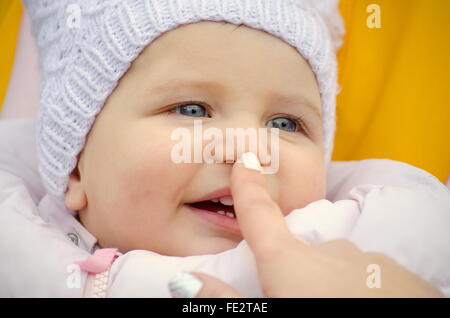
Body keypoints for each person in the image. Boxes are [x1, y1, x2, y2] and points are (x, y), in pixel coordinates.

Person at [0, 0, 448, 297]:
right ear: (76, 168)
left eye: (284, 123)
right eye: (192, 110)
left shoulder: (387, 257)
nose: (248, 151)